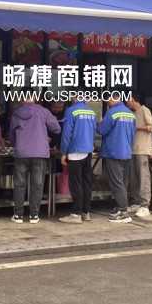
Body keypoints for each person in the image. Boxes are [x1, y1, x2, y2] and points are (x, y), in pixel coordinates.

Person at [10, 92, 61, 224]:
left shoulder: (16, 113)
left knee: (19, 184)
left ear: (21, 98)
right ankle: (34, 215)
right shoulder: (43, 111)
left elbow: (12, 135)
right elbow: (56, 128)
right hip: (39, 152)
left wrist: (16, 144)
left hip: (21, 152)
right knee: (37, 184)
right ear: (35, 97)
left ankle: (18, 215)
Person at [97, 93, 137, 223]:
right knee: (123, 182)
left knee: (117, 183)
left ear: (111, 98)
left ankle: (123, 212)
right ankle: (120, 208)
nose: (107, 103)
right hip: (127, 152)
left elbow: (102, 130)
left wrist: (99, 124)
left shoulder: (112, 113)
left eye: (107, 100)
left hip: (114, 152)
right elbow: (133, 132)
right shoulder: (130, 114)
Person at [58, 91, 96, 224]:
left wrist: (64, 152)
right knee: (86, 182)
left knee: (76, 183)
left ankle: (76, 213)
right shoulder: (91, 111)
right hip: (88, 150)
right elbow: (93, 131)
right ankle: (86, 212)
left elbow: (66, 133)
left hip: (75, 151)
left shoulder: (71, 111)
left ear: (73, 96)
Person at [126, 94, 152, 217]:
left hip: (142, 149)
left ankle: (145, 205)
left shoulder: (144, 110)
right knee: (134, 179)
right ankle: (137, 202)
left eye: (127, 100)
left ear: (132, 99)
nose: (126, 103)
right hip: (133, 150)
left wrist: (137, 127)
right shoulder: (133, 113)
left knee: (143, 177)